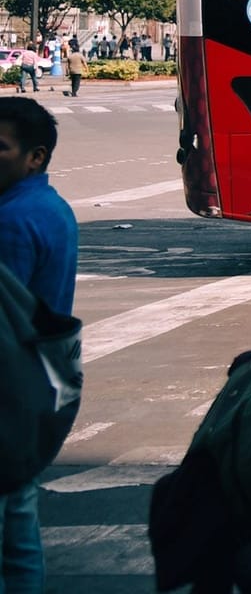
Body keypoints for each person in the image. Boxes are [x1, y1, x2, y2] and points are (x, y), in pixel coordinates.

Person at [0, 98, 74, 593]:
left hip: (8, 380)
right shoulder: (52, 206)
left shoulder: (11, 222)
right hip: (42, 377)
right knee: (19, 520)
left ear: (36, 157)